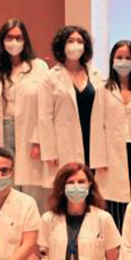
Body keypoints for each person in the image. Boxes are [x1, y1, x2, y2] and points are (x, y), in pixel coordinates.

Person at [0, 18, 50, 200]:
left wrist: (39, 140)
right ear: (2, 41)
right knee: (3, 187)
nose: (14, 42)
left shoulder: (39, 67)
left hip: (29, 137)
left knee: (32, 193)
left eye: (18, 38)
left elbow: (46, 107)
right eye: (9, 37)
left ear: (25, 40)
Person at [95, 40, 131, 227]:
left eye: (128, 58)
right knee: (115, 203)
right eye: (119, 57)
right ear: (112, 60)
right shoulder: (103, 90)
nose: (123, 61)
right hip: (112, 155)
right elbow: (96, 128)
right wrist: (99, 160)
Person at [37, 25, 104, 176]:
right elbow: (44, 117)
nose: (75, 45)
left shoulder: (95, 74)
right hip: (64, 144)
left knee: (92, 188)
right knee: (68, 187)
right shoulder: (50, 78)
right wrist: (49, 152)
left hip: (92, 140)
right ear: (62, 45)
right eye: (70, 41)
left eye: (80, 41)